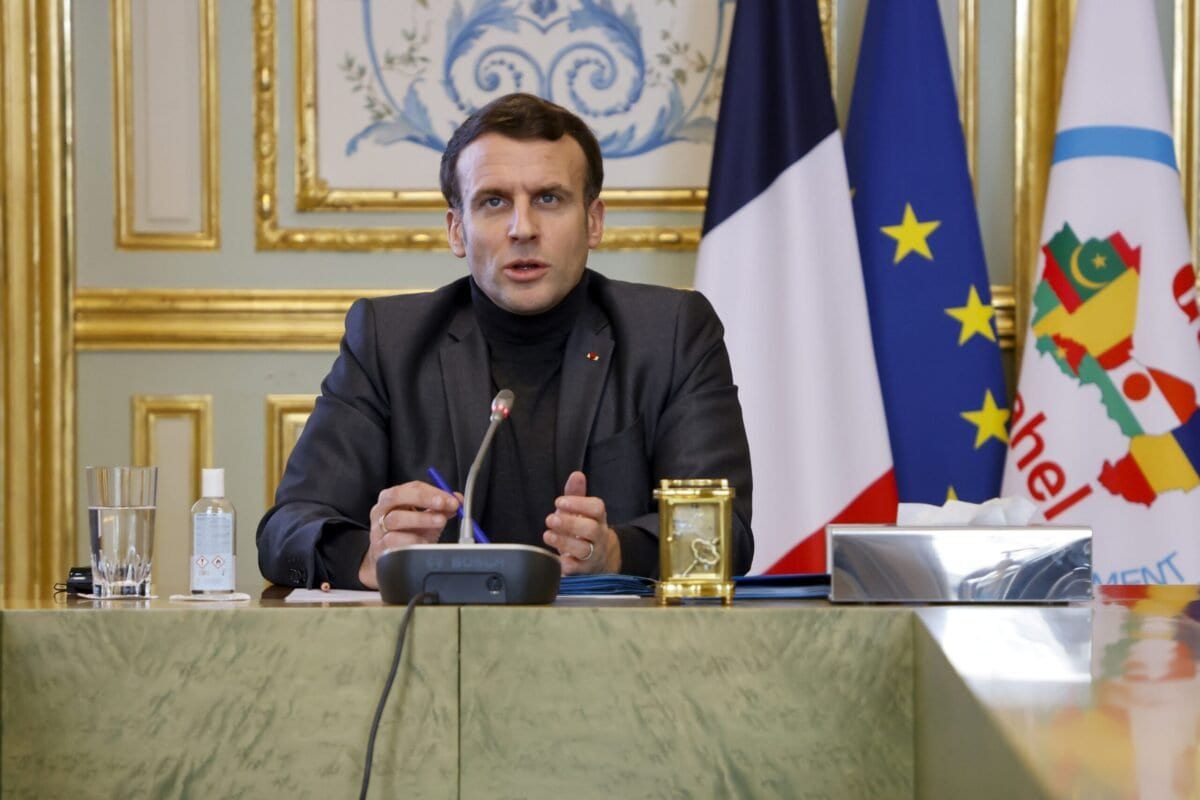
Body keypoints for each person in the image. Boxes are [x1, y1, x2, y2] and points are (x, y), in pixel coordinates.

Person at [257, 93, 754, 589]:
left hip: (614, 635)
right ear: (457, 231)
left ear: (593, 221)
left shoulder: (671, 333)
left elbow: (725, 535)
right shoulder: (387, 341)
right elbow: (286, 531)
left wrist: (617, 550)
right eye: (494, 202)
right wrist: (369, 557)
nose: (523, 228)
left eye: (549, 199)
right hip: (433, 635)